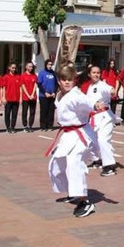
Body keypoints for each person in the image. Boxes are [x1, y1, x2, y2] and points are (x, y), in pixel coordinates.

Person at [46, 65, 105, 218]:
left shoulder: (76, 94)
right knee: (56, 164)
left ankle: (85, 201)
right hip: (68, 134)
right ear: (59, 81)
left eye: (70, 80)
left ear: (74, 81)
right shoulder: (60, 95)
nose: (67, 83)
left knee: (74, 163)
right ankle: (74, 192)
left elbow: (85, 100)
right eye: (64, 80)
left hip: (81, 134)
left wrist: (95, 105)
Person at [81, 65, 119, 177]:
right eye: (94, 72)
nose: (96, 74)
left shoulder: (102, 85)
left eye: (98, 72)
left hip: (105, 117)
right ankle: (96, 160)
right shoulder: (89, 87)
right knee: (90, 140)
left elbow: (109, 89)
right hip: (93, 118)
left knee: (103, 140)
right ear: (89, 74)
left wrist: (113, 91)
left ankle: (109, 166)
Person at [37, 60, 58, 131]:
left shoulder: (54, 73)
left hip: (52, 95)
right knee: (44, 111)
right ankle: (43, 126)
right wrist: (45, 93)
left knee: (51, 111)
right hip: (43, 96)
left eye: (51, 64)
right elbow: (39, 84)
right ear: (46, 65)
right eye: (49, 64)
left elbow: (56, 84)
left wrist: (54, 92)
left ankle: (50, 125)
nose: (50, 66)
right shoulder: (42, 73)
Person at [1, 63, 21, 133]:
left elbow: (20, 88)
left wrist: (20, 97)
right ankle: (8, 127)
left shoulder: (18, 77)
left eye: (15, 68)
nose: (14, 69)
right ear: (9, 68)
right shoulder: (5, 77)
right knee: (7, 114)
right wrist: (3, 97)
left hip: (16, 99)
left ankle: (13, 127)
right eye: (12, 67)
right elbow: (3, 88)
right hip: (8, 99)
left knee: (14, 114)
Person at [20, 62, 38, 133]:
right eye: (29, 66)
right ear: (26, 67)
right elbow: (23, 86)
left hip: (33, 97)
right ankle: (25, 126)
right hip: (25, 97)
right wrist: (28, 95)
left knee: (32, 112)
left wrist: (32, 94)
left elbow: (35, 85)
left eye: (31, 67)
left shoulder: (34, 76)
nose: (30, 68)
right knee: (25, 112)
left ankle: (30, 125)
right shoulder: (23, 75)